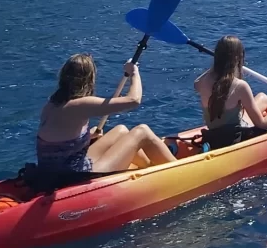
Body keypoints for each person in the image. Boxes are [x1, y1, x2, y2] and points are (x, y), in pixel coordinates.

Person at [31, 54, 172, 191]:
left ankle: (149, 169)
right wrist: (134, 72)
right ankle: (180, 169)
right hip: (75, 177)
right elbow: (133, 100)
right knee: (142, 131)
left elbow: (60, 141)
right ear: (88, 79)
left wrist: (87, 136)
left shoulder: (52, 104)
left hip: (55, 172)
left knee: (121, 130)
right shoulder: (80, 104)